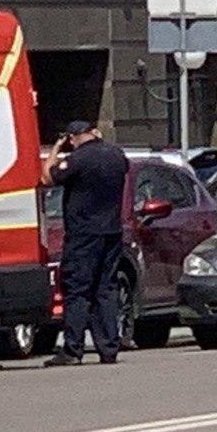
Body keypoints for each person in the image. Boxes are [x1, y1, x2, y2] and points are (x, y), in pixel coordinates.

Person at [41, 120, 129, 367]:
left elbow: (47, 178)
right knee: (106, 289)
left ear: (72, 138)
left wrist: (56, 149)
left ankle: (73, 349)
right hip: (112, 231)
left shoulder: (78, 159)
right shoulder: (116, 155)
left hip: (84, 235)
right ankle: (109, 348)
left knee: (77, 290)